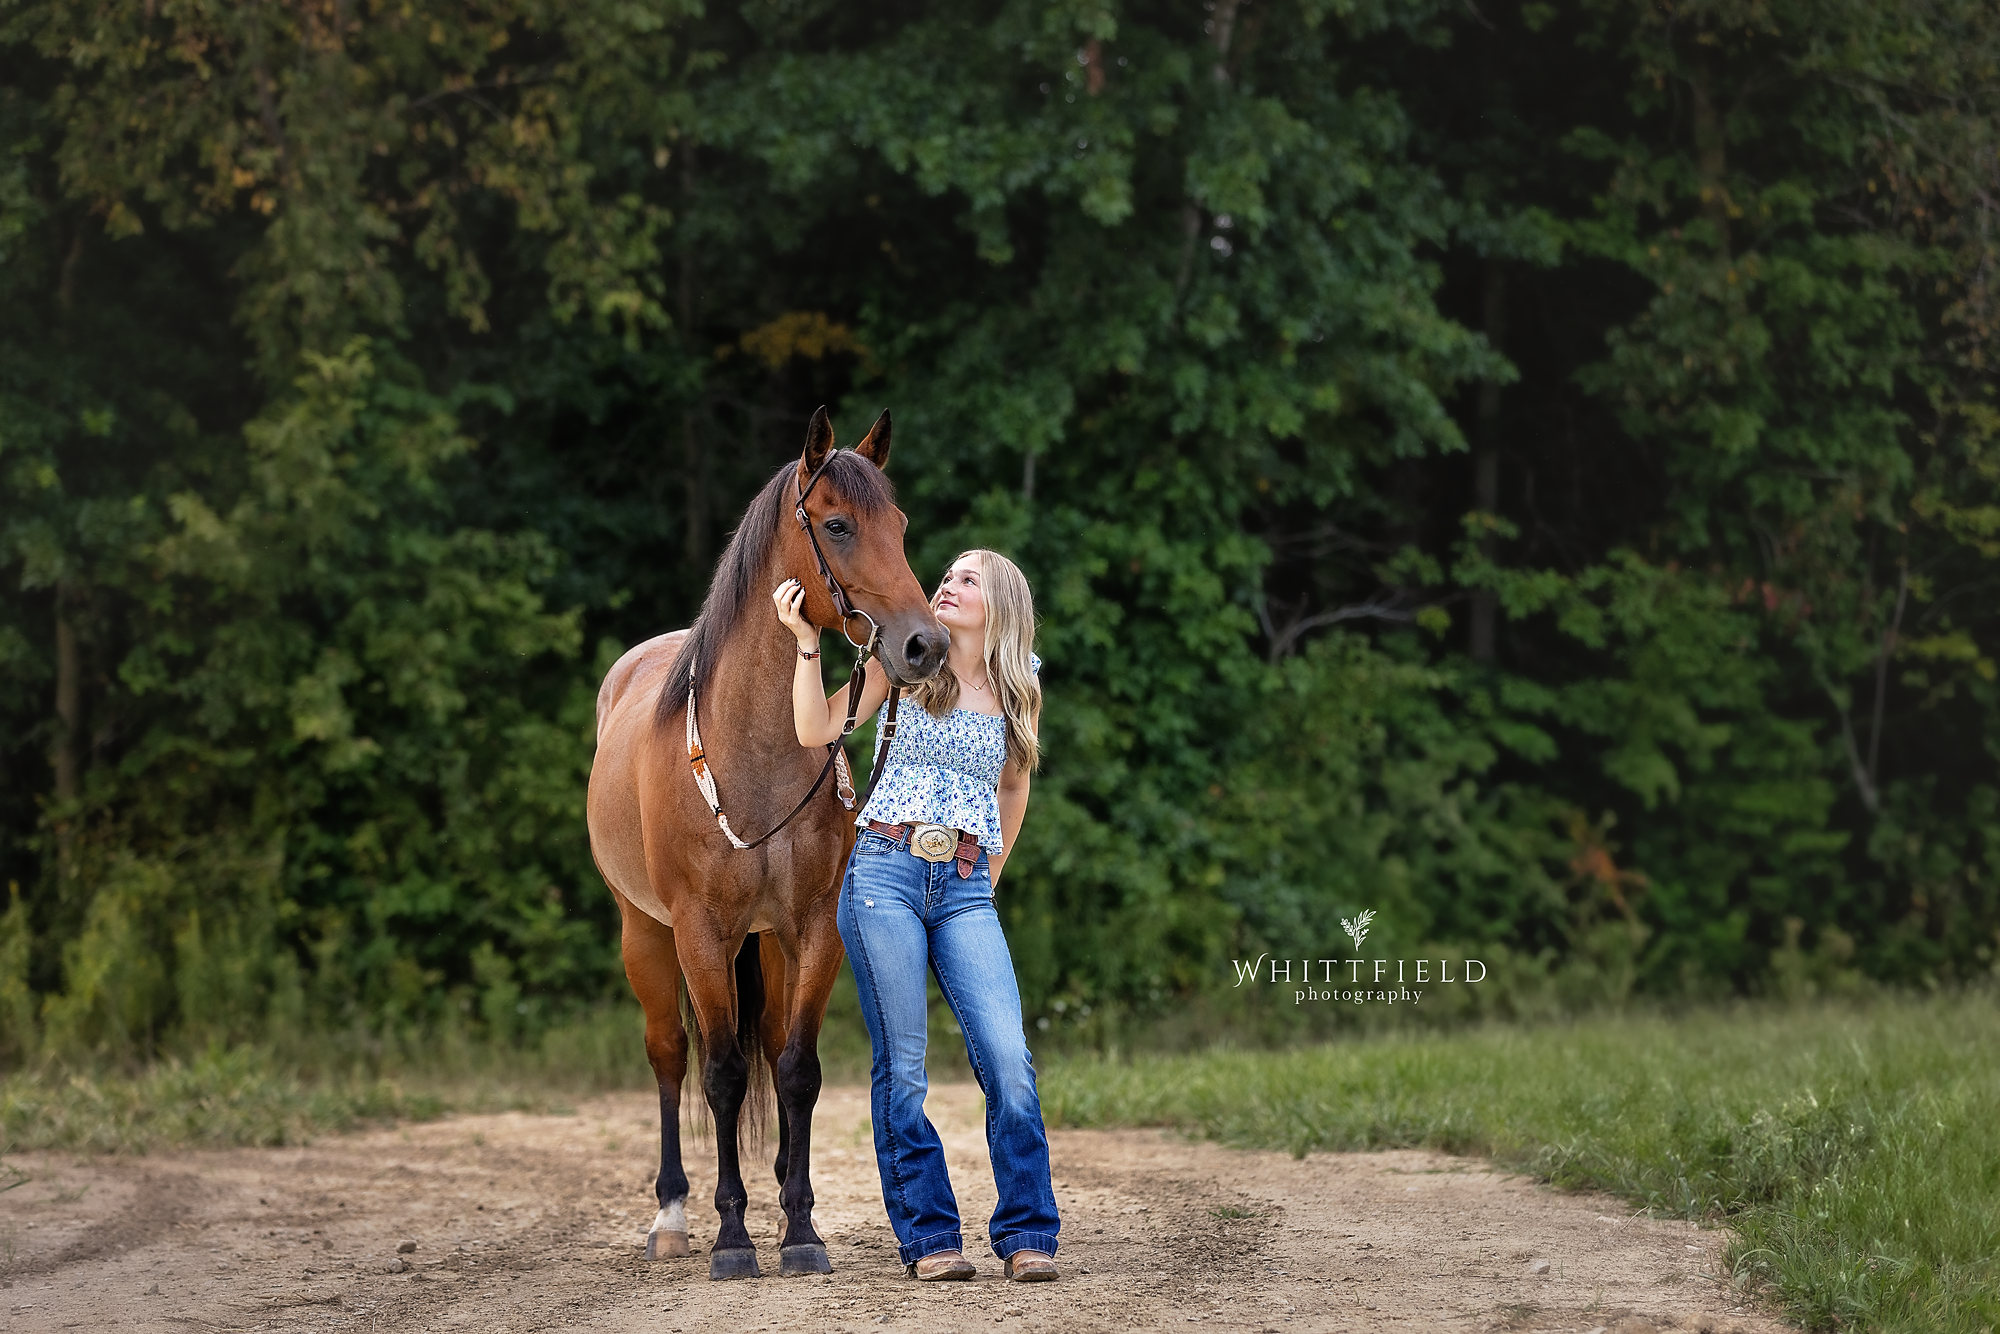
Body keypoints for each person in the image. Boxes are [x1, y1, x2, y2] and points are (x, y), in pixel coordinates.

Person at [772, 548, 1060, 1283]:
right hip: (884, 879)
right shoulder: (901, 663)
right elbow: (815, 730)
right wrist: (807, 645)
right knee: (903, 1069)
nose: (947, 583)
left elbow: (1013, 788)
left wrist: (987, 878)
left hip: (963, 887)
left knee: (1009, 1062)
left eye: (968, 578)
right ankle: (930, 1238)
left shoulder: (1018, 685)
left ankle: (1028, 1232)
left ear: (1001, 604)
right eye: (949, 575)